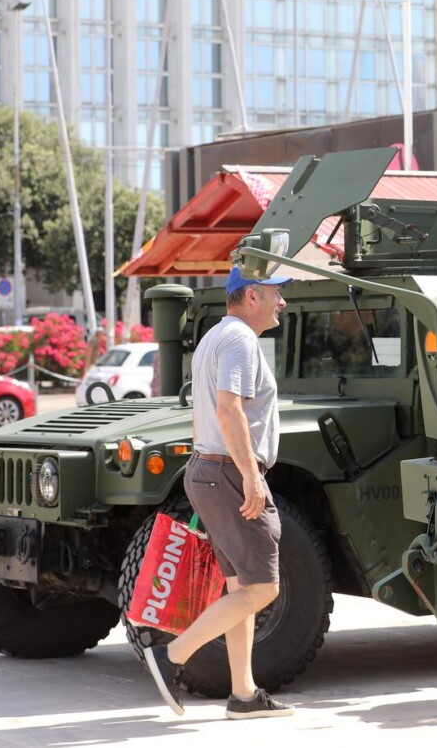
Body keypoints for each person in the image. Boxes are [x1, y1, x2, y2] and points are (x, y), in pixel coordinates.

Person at [143, 265, 293, 720]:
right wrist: (251, 476)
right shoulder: (240, 341)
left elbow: (203, 413)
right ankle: (170, 656)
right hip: (229, 472)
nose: (282, 301)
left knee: (241, 586)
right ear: (251, 296)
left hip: (210, 468)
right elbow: (229, 410)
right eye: (275, 293)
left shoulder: (214, 336)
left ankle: (244, 694)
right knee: (263, 588)